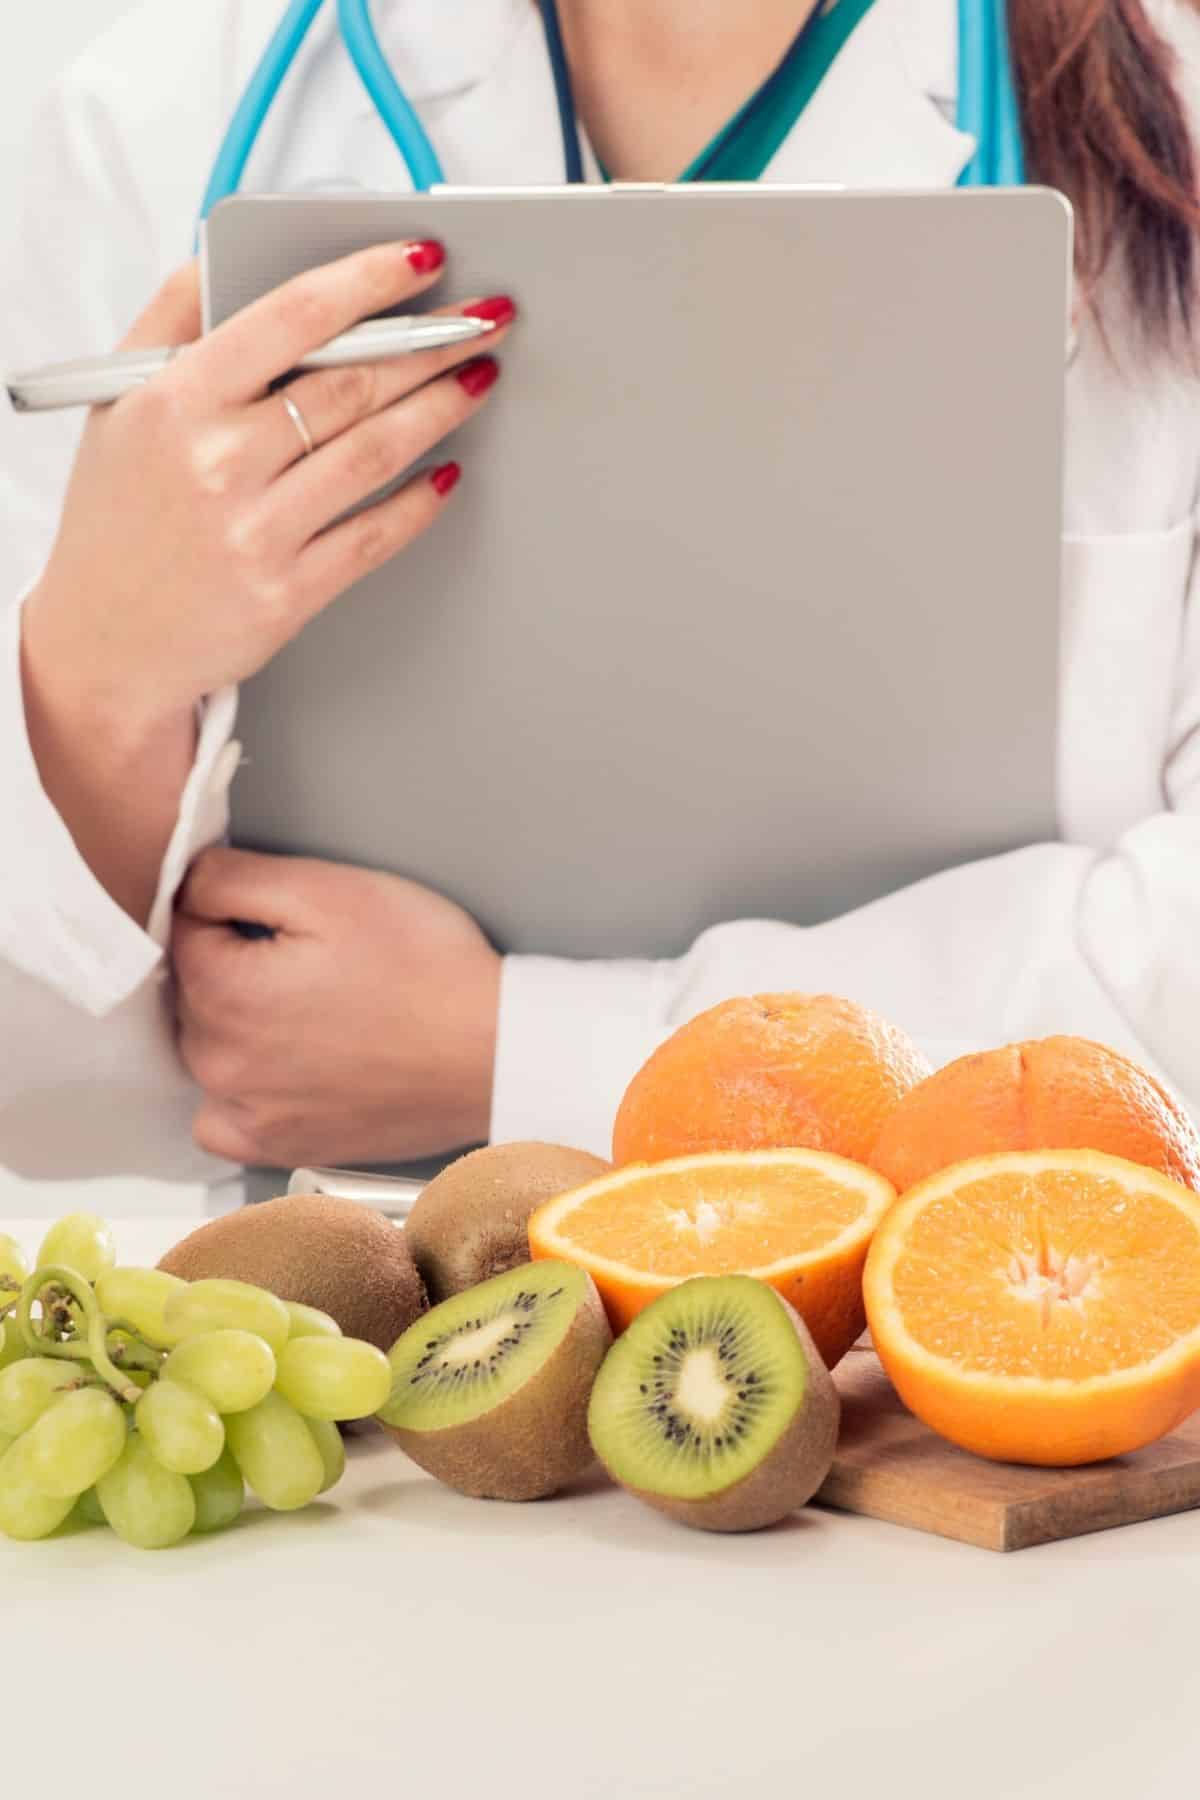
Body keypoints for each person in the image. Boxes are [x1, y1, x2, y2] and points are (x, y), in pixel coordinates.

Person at [1, 0, 1198, 1205]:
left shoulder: (1172, 117)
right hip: (356, 1338)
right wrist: (95, 682)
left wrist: (524, 1054)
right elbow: (39, 1105)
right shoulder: (151, 124)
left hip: (976, 1342)